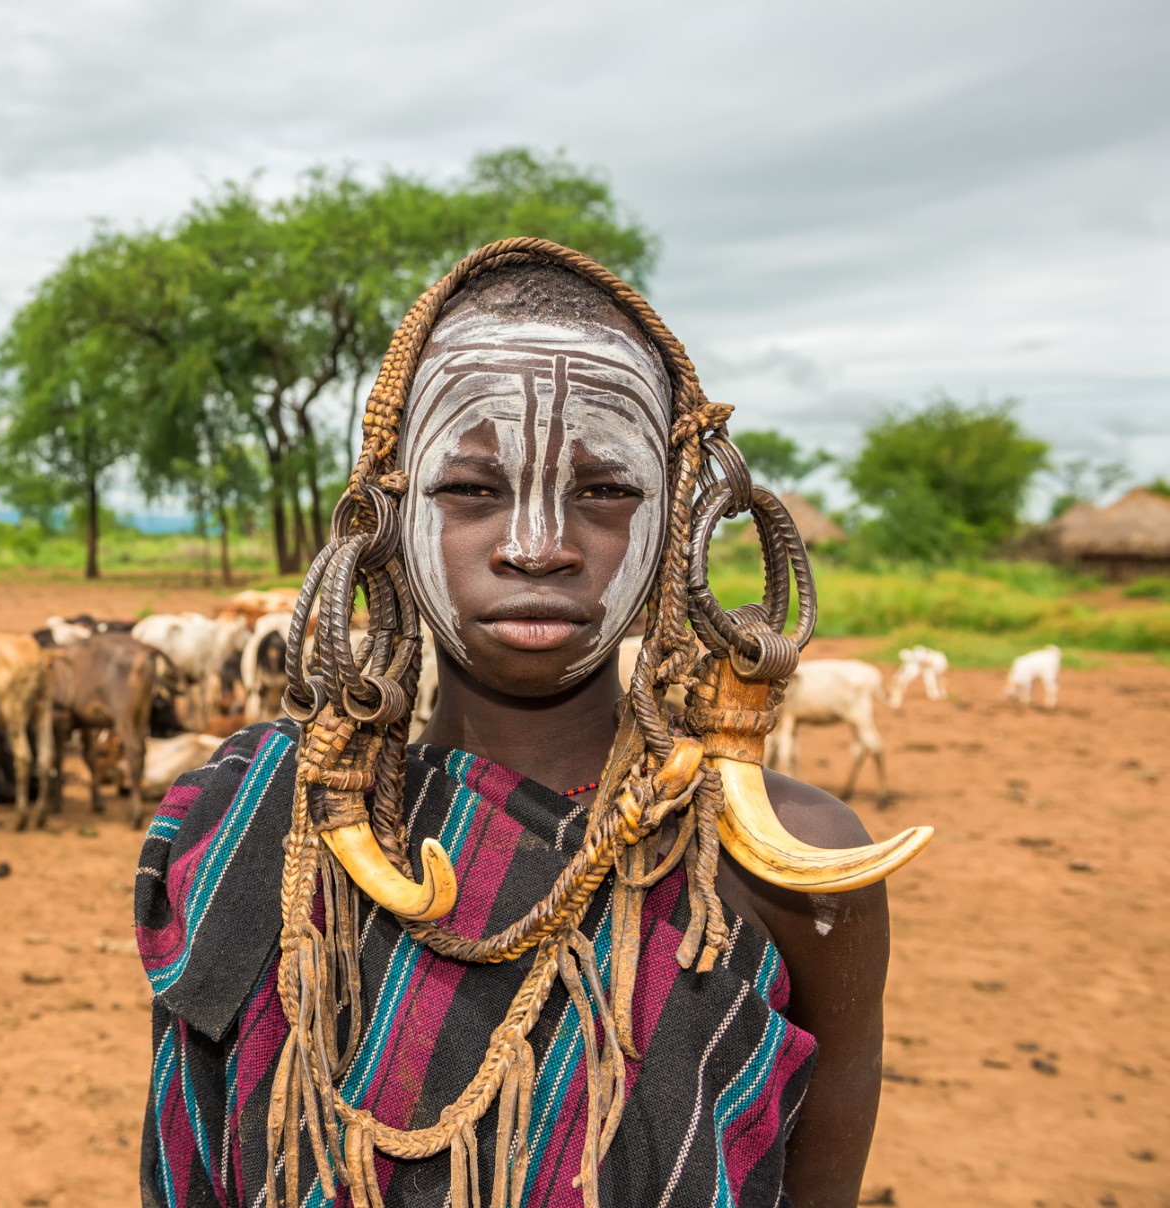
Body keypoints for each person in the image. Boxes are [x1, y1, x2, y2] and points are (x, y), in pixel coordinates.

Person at [135, 239, 917, 1208]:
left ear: (680, 517)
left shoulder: (791, 865)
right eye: (469, 488)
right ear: (380, 514)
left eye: (603, 489)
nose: (537, 546)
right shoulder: (259, 830)